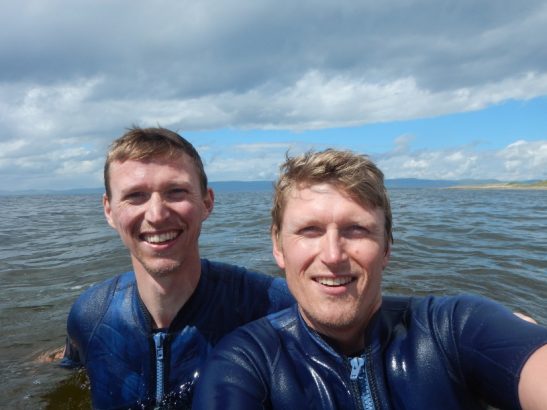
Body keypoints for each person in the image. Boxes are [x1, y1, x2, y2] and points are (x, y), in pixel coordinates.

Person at [193, 149, 547, 410]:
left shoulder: (453, 328)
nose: (332, 255)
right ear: (279, 247)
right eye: (310, 230)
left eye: (357, 230)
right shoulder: (246, 362)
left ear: (387, 246)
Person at [61, 127, 294, 409]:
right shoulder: (90, 315)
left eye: (176, 192)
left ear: (207, 202)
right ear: (109, 210)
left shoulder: (273, 307)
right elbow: (72, 368)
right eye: (135, 195)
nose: (157, 215)